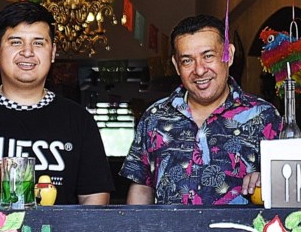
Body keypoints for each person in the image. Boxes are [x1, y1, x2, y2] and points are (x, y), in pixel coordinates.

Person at [0, 2, 113, 205]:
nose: (27, 52)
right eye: (16, 42)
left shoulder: (78, 120)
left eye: (38, 43)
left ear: (53, 52)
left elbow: (95, 197)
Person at [120, 14, 280, 205]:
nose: (200, 70)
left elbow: (290, 186)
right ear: (176, 66)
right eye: (187, 60)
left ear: (228, 54)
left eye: (208, 56)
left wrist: (267, 180)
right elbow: (141, 187)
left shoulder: (265, 116)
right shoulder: (154, 118)